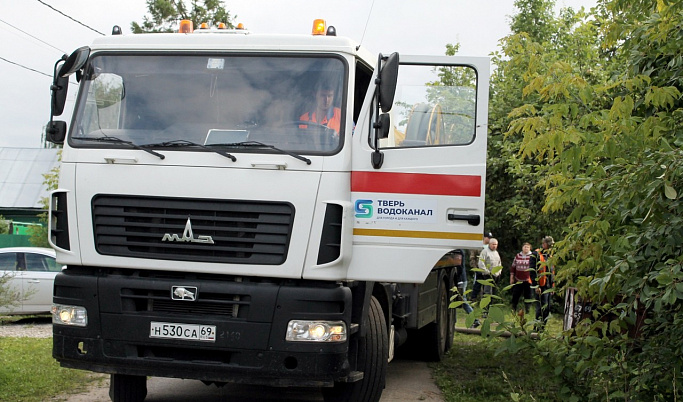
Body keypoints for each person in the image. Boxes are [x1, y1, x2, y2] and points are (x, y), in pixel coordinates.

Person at [530, 236, 555, 328]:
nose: (550, 247)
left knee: (547, 308)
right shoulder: (536, 254)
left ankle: (542, 328)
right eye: (549, 245)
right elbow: (532, 271)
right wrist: (536, 286)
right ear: (544, 244)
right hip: (540, 285)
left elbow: (552, 272)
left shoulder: (550, 255)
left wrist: (553, 286)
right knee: (541, 307)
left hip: (548, 285)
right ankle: (536, 327)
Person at [509, 242, 533, 314]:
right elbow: (513, 267)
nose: (526, 248)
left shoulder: (532, 256)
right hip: (518, 279)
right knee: (515, 295)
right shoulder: (517, 256)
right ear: (522, 247)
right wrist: (511, 277)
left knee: (528, 295)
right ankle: (513, 308)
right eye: (525, 247)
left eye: (527, 247)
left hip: (528, 280)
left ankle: (528, 310)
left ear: (530, 248)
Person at [469, 231, 492, 303]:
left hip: (488, 270)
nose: (490, 239)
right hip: (479, 269)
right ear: (484, 238)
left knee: (487, 286)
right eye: (488, 238)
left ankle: (485, 301)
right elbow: (472, 258)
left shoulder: (490, 247)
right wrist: (476, 268)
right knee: (477, 285)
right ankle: (473, 300)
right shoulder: (478, 247)